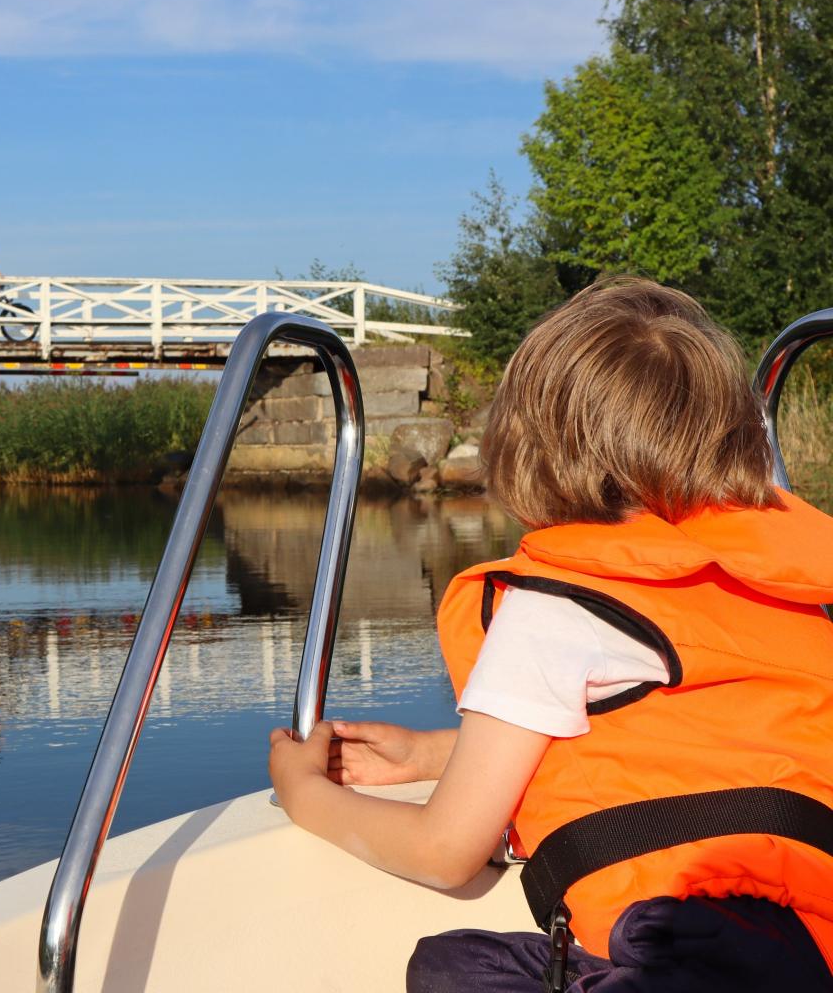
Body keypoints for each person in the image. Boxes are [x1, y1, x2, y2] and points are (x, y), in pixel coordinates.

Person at [269, 277, 833, 992]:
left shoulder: (552, 611)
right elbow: (693, 753)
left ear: (528, 444)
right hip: (809, 943)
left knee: (450, 971)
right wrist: (430, 755)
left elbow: (444, 850)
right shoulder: (773, 584)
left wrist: (302, 794)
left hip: (682, 957)